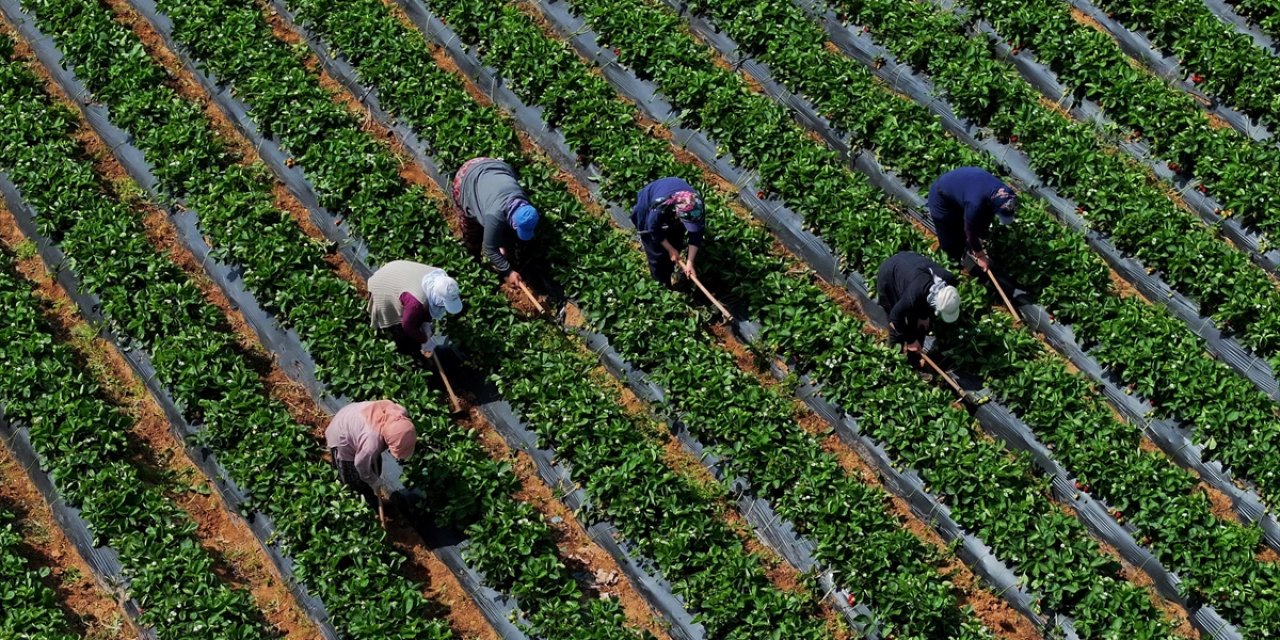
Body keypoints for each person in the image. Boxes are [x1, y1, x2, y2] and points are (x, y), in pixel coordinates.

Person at [452, 157, 540, 286]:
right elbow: (489, 248)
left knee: (500, 231)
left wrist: (503, 245)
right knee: (471, 227)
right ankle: (472, 256)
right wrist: (508, 271)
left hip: (492, 166)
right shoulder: (494, 215)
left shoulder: (522, 200)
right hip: (466, 177)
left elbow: (507, 227)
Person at [325, 400, 417, 510]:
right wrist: (374, 481)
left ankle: (373, 499)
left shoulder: (399, 414)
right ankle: (369, 505)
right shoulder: (371, 443)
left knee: (375, 466)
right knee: (355, 480)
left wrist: (374, 477)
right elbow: (360, 464)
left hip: (355, 417)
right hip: (341, 434)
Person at [926, 167, 1017, 270]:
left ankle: (970, 248)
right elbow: (969, 229)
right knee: (951, 238)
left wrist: (980, 238)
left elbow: (987, 214)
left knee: (973, 228)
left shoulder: (1007, 193)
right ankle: (954, 262)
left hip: (961, 191)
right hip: (941, 198)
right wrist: (980, 255)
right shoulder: (975, 204)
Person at [368, 260, 463, 357]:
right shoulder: (416, 304)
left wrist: (426, 324)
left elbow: (429, 304)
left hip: (396, 269)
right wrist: (424, 340)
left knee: (417, 317)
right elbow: (408, 326)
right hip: (383, 283)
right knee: (403, 332)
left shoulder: (440, 279)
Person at [876, 252, 961, 358]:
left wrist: (924, 316)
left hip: (911, 266)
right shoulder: (915, 294)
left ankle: (914, 360)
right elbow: (895, 316)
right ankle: (893, 360)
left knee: (920, 324)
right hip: (889, 276)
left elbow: (927, 304)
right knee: (896, 327)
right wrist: (911, 340)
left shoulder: (950, 280)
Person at [630, 177, 706, 286]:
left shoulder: (697, 206)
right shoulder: (660, 206)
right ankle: (661, 284)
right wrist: (670, 249)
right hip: (648, 205)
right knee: (655, 250)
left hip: (673, 206)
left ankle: (669, 269)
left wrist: (690, 262)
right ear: (677, 213)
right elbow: (653, 229)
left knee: (676, 240)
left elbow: (697, 234)